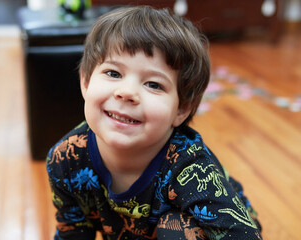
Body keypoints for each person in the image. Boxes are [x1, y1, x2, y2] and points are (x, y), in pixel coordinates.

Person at [46, 5, 262, 240]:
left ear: (181, 109)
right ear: (86, 82)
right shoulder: (65, 159)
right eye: (113, 73)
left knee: (176, 227)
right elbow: (72, 231)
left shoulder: (190, 167)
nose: (126, 92)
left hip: (219, 231)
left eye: (153, 84)